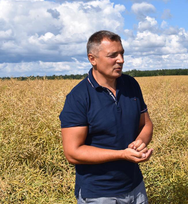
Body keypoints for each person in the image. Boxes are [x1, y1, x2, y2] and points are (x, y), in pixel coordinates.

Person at [59, 30, 153, 204]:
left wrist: (140, 143)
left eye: (122, 53)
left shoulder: (131, 85)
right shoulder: (78, 97)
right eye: (113, 55)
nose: (121, 60)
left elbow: (146, 124)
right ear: (92, 59)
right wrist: (122, 154)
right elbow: (73, 153)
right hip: (99, 194)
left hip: (136, 187)